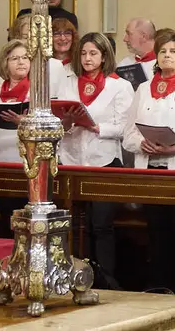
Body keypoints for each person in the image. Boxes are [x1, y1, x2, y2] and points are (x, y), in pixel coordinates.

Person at [122, 29, 175, 296]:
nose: (167, 55)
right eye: (162, 51)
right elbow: (128, 134)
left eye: (173, 51)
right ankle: (158, 288)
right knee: (155, 233)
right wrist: (141, 143)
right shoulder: (144, 88)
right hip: (151, 169)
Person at [57, 32, 134, 289]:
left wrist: (95, 126)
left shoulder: (119, 85)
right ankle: (76, 275)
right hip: (72, 159)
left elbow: (124, 126)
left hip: (105, 160)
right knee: (76, 224)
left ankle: (106, 280)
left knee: (101, 224)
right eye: (83, 53)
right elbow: (57, 119)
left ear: (104, 56)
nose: (87, 58)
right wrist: (67, 122)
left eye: (93, 53)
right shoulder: (68, 83)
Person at [0, 41, 32, 223]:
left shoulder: (37, 91)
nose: (21, 62)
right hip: (2, 160)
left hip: (28, 164)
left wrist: (22, 123)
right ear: (5, 63)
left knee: (26, 218)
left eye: (25, 57)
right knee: (5, 216)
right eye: (15, 58)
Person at [118, 18, 158, 82]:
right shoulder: (124, 64)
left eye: (129, 34)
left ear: (144, 37)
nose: (125, 39)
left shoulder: (163, 64)